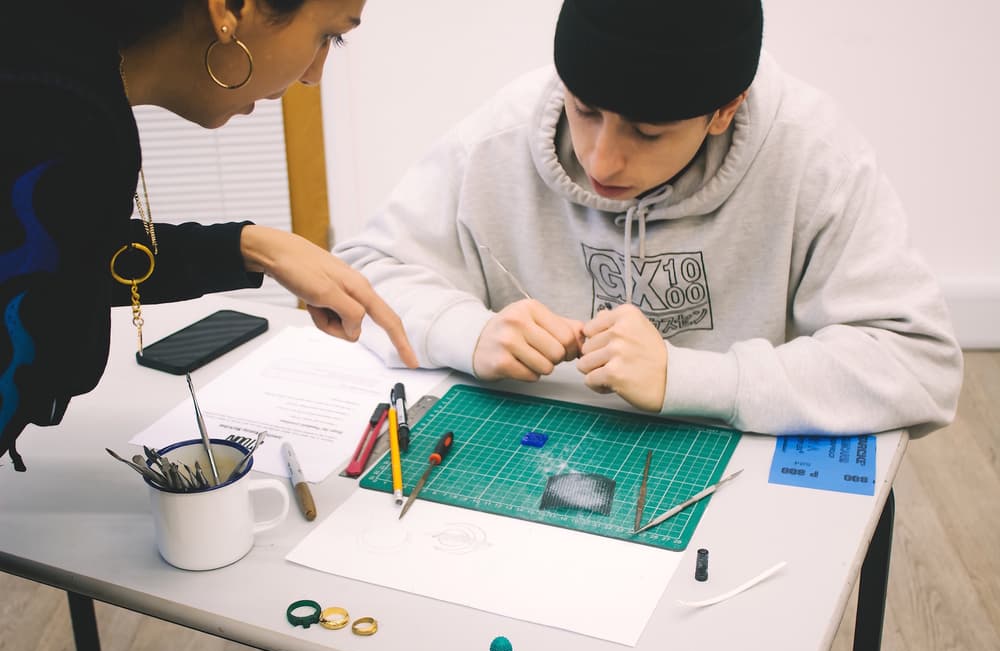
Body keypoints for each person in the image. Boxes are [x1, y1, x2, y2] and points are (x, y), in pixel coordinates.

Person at [336, 0, 963, 437]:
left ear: (724, 111)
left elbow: (918, 362)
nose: (601, 159)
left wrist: (696, 378)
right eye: (585, 111)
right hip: (534, 452)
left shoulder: (814, 157)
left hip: (733, 474)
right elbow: (361, 275)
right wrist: (466, 331)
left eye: (648, 131)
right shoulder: (499, 138)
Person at [0, 0, 418, 471]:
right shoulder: (57, 118)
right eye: (328, 35)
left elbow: (65, 254)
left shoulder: (48, 73)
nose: (314, 75)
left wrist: (248, 247)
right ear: (229, 9)